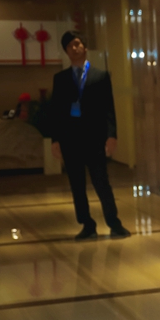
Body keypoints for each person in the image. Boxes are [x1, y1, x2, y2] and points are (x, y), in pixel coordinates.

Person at [48, 31, 130, 241]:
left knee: (101, 182)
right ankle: (87, 224)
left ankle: (114, 223)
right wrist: (55, 139)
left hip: (95, 138)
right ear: (66, 51)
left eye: (77, 44)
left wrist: (111, 135)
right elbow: (56, 111)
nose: (74, 48)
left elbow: (109, 109)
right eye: (70, 46)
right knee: (77, 184)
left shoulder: (100, 76)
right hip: (70, 139)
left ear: (84, 47)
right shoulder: (61, 79)